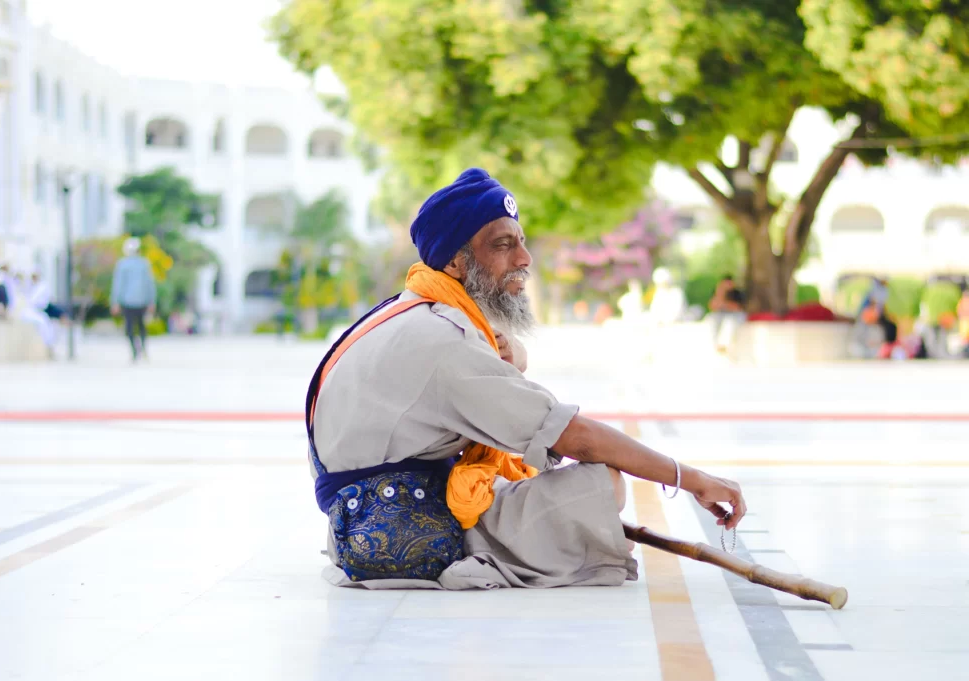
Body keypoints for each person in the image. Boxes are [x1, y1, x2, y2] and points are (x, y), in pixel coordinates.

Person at [307, 168, 746, 590]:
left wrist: (515, 356)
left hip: (360, 519)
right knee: (602, 483)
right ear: (457, 262)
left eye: (521, 241)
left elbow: (497, 370)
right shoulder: (446, 340)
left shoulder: (410, 312)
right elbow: (575, 438)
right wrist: (691, 480)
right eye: (503, 245)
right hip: (399, 529)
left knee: (529, 474)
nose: (524, 259)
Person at [110, 238, 156, 361]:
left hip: (127, 301)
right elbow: (150, 284)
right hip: (141, 300)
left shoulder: (123, 264)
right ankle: (142, 349)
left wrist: (115, 302)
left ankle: (135, 350)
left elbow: (118, 285)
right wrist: (152, 301)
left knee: (130, 327)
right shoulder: (144, 263)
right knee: (141, 325)